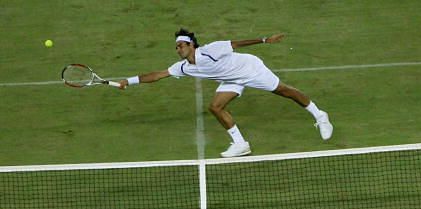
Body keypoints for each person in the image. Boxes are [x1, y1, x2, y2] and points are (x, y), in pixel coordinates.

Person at [119, 28, 333, 157]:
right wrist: (127, 81)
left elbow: (236, 43)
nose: (178, 49)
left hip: (250, 69)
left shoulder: (211, 49)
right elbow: (156, 75)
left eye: (181, 45)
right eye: (176, 47)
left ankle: (320, 115)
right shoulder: (183, 67)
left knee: (285, 91)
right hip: (231, 79)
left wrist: (265, 40)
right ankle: (241, 144)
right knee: (215, 106)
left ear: (191, 44)